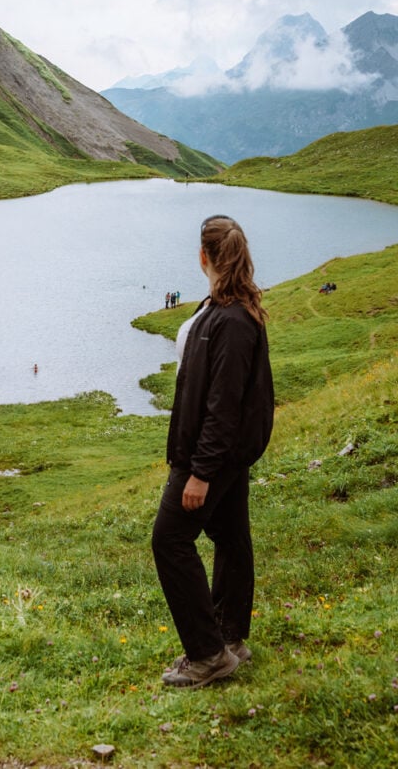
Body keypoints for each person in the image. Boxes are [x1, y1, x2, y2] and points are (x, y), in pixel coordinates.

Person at [151, 214, 275, 689]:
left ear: (204, 256)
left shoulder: (233, 321)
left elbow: (224, 407)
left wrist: (200, 472)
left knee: (170, 541)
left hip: (210, 457)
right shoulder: (224, 307)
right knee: (230, 538)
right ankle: (230, 639)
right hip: (220, 455)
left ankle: (207, 654)